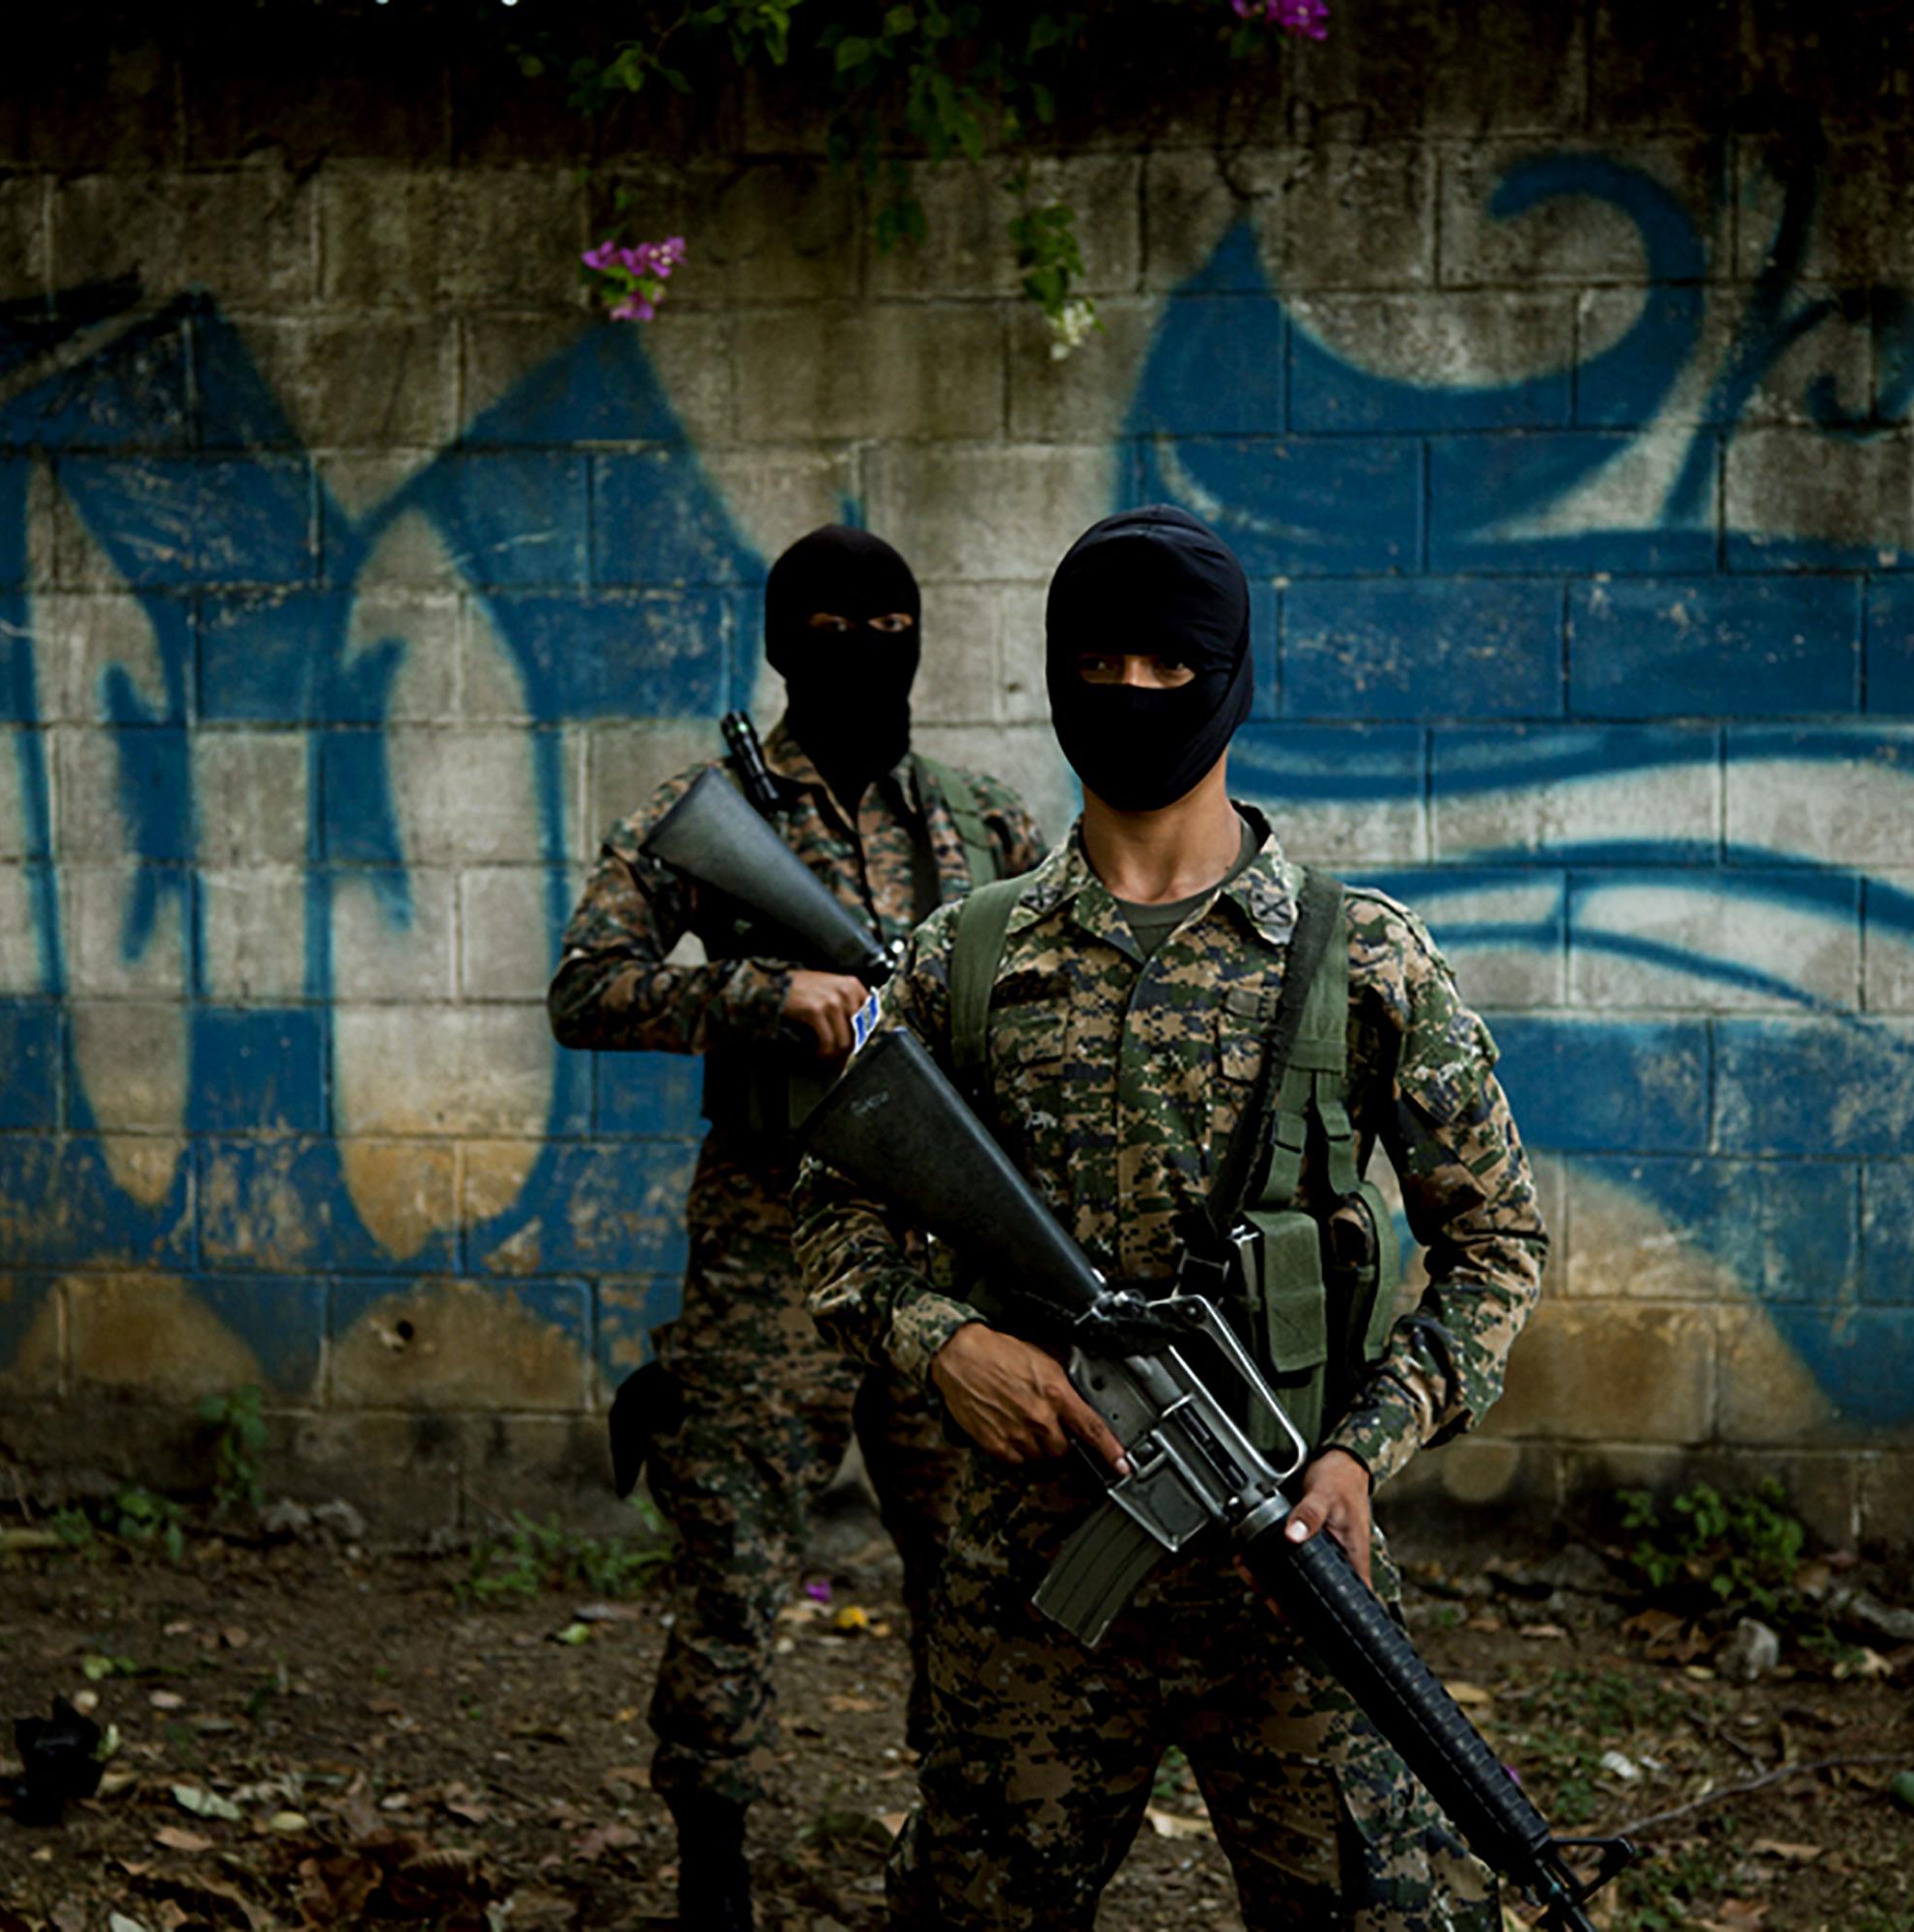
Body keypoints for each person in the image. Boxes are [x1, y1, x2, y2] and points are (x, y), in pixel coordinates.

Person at [794, 504, 1543, 1931]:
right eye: (1100, 661)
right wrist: (944, 1343)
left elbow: (1499, 1241)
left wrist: (1362, 1455)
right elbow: (836, 1213)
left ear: (1236, 677)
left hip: (1296, 1577)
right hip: (1037, 1576)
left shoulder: (1361, 954)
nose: (1133, 691)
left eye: (1170, 663)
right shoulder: (966, 954)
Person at [549, 523, 1047, 1932]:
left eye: (890, 622)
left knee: (976, 1565)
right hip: (772, 1239)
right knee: (735, 1558)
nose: (865, 645)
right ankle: (715, 1867)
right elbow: (586, 986)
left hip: (949, 1249)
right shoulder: (716, 813)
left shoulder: (987, 817)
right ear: (781, 643)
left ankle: (961, 1851)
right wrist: (767, 997)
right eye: (830, 624)